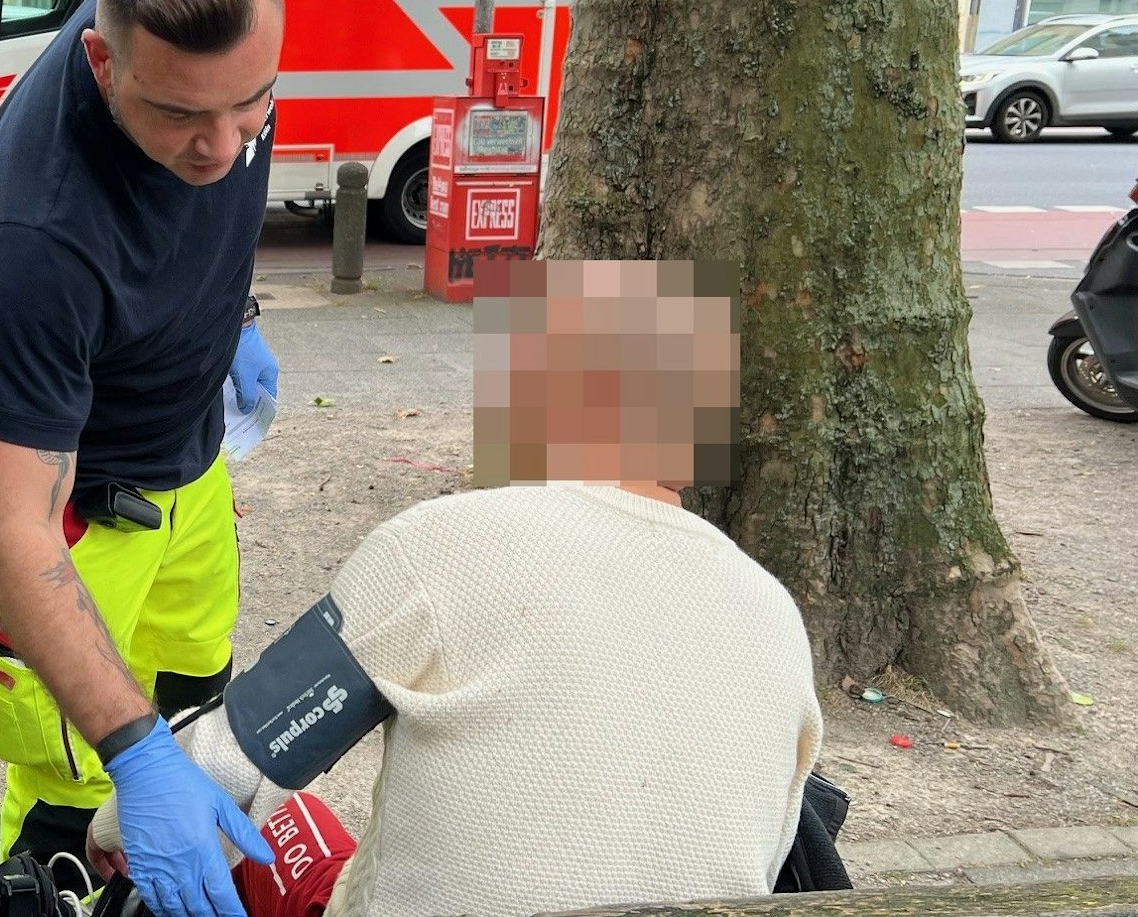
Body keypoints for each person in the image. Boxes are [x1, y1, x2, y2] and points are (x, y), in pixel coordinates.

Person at [90, 259, 826, 917]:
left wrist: (107, 833)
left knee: (289, 825)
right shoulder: (776, 616)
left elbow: (229, 761)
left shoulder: (444, 546)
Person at [0, 0, 287, 917]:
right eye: (181, 115)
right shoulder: (33, 236)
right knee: (77, 771)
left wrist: (235, 317)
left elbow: (210, 186)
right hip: (77, 514)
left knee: (197, 694)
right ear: (103, 60)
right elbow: (17, 529)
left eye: (252, 102)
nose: (224, 147)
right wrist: (133, 756)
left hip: (192, 461)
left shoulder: (224, 54)